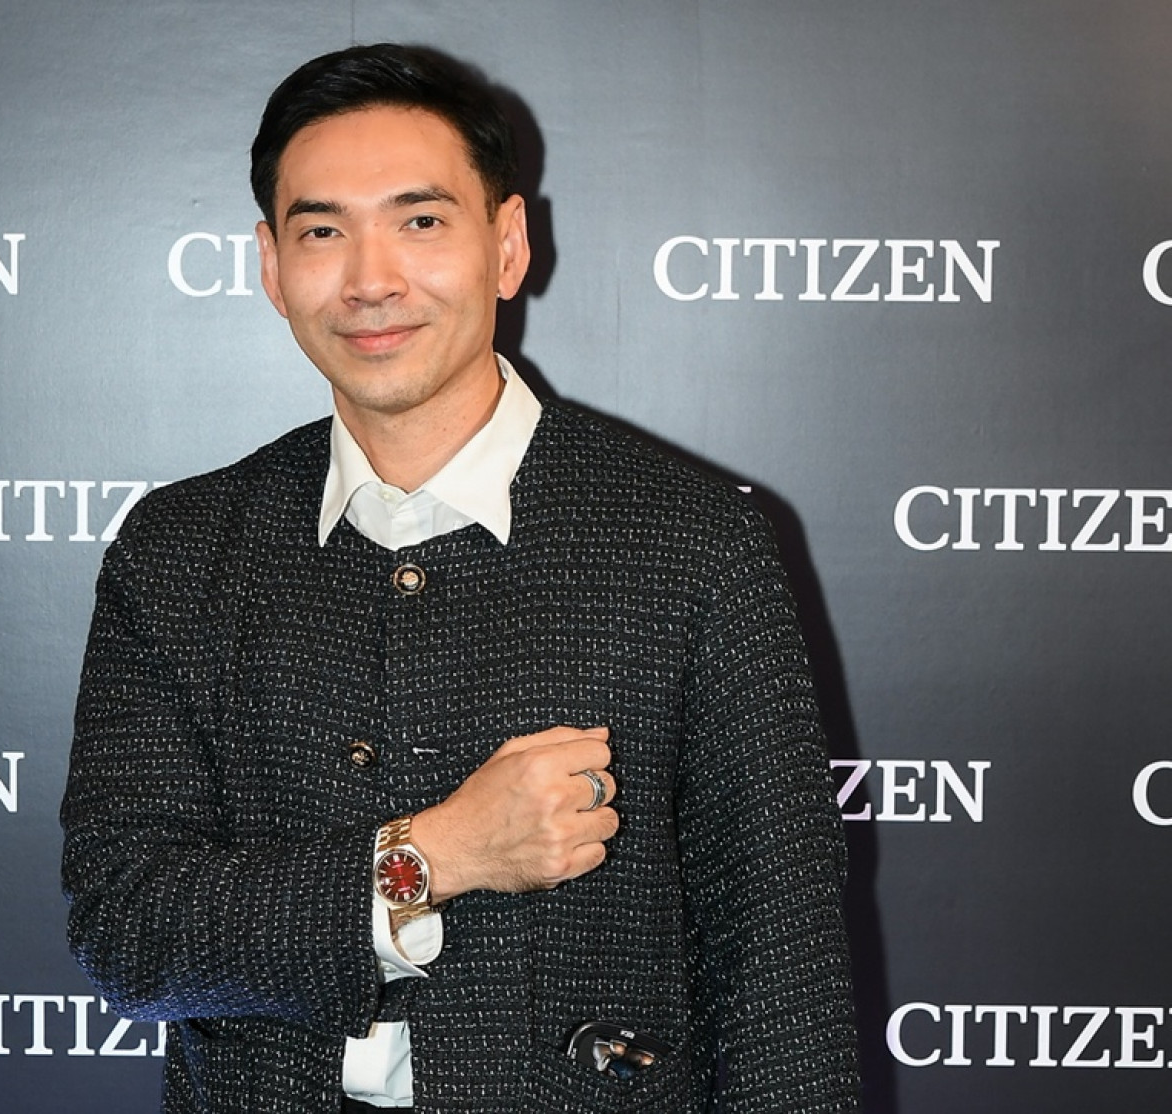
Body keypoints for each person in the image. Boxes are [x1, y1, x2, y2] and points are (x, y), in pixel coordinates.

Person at [61, 42, 860, 1113]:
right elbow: (126, 929)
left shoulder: (693, 541)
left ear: (507, 244)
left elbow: (784, 978)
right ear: (271, 267)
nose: (371, 279)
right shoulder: (179, 549)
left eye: (421, 221)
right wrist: (434, 854)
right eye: (322, 231)